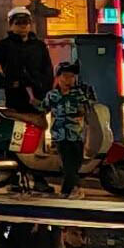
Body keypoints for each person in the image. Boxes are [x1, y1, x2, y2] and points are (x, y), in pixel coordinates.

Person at [40, 61, 97, 198]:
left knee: (76, 163)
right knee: (68, 163)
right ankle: (67, 191)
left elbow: (89, 107)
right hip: (60, 135)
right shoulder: (52, 95)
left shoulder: (78, 93)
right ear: (58, 78)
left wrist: (89, 96)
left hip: (77, 134)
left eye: (71, 77)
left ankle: (71, 189)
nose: (68, 80)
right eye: (65, 76)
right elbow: (42, 109)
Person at [0, 7, 53, 114]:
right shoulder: (4, 45)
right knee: (17, 127)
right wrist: (6, 82)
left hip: (38, 95)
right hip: (15, 96)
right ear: (11, 25)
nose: (23, 26)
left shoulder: (39, 46)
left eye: (26, 22)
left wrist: (45, 87)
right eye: (18, 23)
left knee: (37, 127)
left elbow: (48, 69)